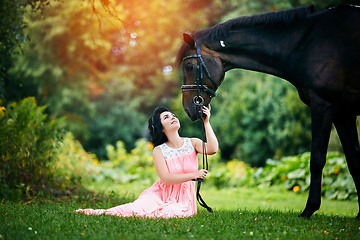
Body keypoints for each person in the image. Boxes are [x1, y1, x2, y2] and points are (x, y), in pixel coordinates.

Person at [75, 105, 218, 218]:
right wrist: (194, 174)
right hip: (159, 194)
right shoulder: (159, 150)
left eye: (173, 115)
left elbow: (212, 149)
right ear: (161, 128)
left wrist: (206, 122)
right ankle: (100, 213)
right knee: (135, 209)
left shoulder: (192, 143)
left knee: (170, 212)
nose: (172, 117)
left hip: (183, 200)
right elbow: (166, 179)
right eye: (166, 117)